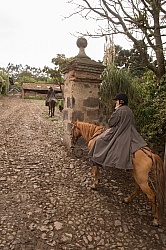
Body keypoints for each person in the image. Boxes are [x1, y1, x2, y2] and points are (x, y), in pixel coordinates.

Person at [89, 93, 147, 169]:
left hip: (118, 131)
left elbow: (111, 123)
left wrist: (115, 110)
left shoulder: (119, 110)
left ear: (121, 101)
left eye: (117, 101)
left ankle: (98, 160)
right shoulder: (129, 111)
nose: (116, 102)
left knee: (99, 141)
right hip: (131, 132)